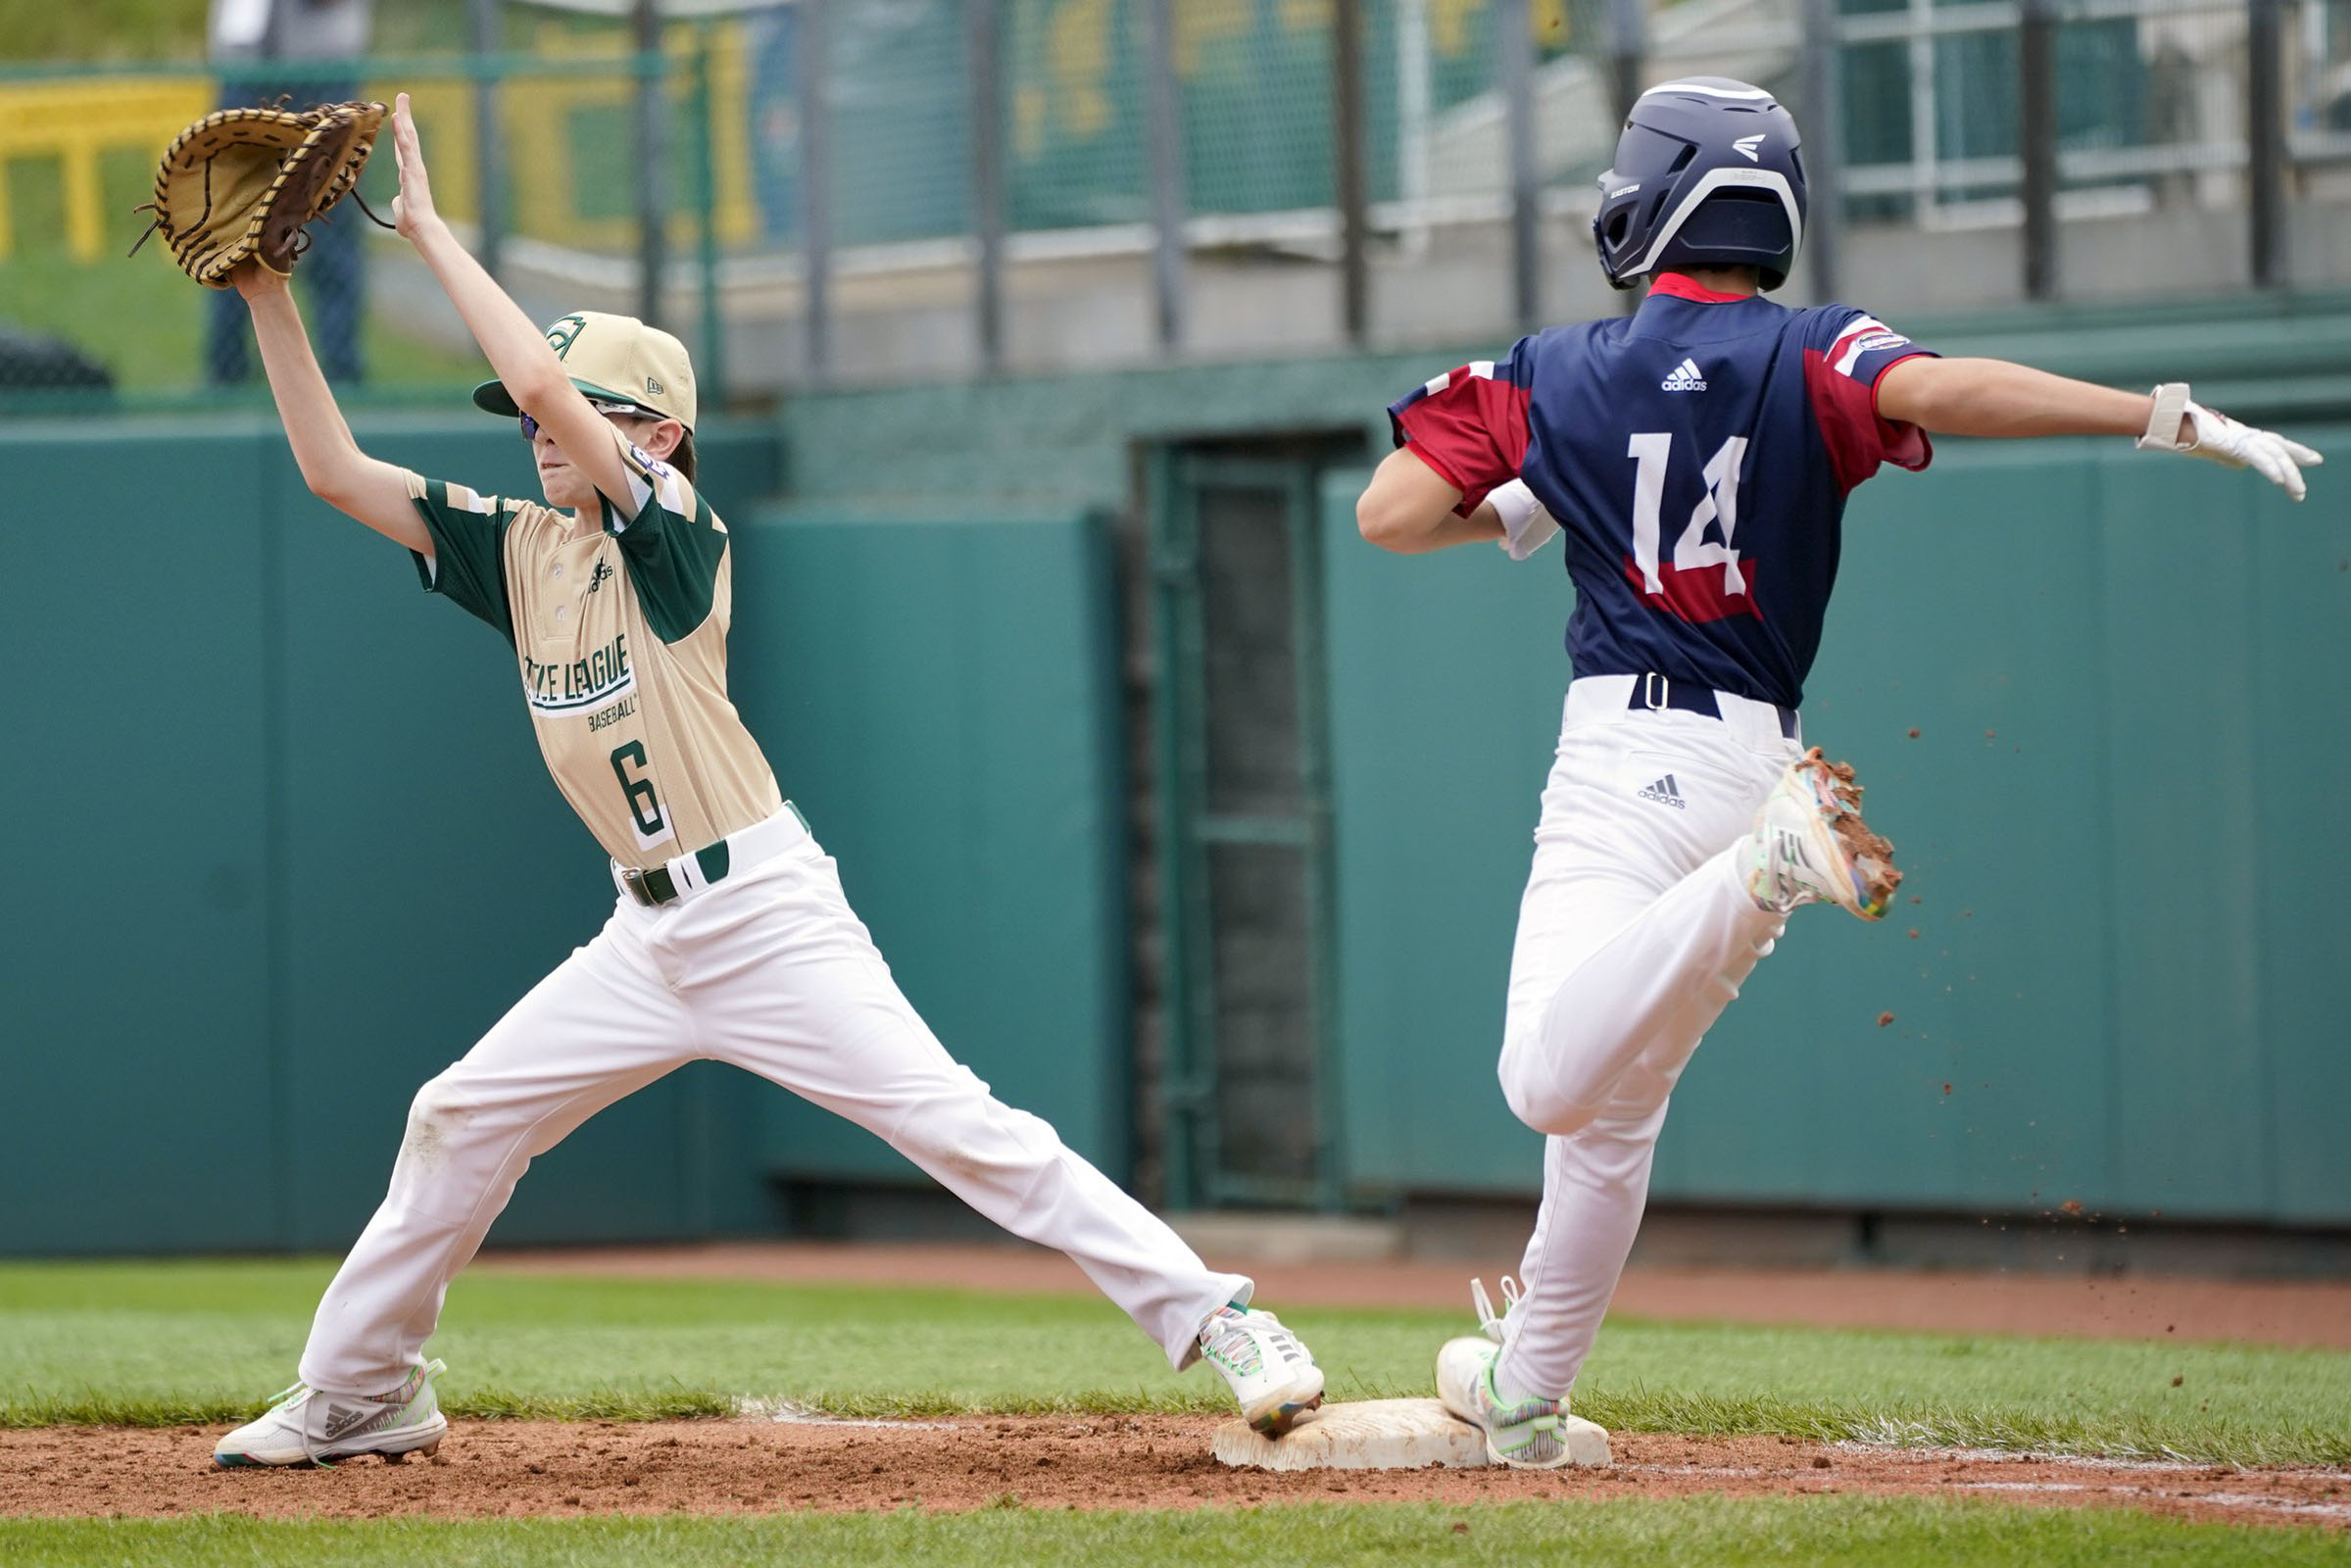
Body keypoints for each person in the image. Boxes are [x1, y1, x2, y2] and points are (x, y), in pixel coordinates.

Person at [213, 94, 1324, 1468]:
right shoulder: (521, 553)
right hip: (645, 934)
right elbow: (332, 472)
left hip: (765, 915)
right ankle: (363, 1392)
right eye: (521, 419)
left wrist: (433, 237)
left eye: (575, 415)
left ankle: (1221, 1323)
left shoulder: (671, 534)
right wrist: (267, 293)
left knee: (960, 1129)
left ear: (658, 437)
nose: (536, 429)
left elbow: (556, 388)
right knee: (454, 1116)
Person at [1354, 76, 2319, 1469]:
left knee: (1543, 1087)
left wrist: (1531, 491)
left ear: (1641, 201)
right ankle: (1524, 1390)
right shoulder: (1815, 350)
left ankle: (1769, 871)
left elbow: (1391, 512)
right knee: (1612, 1113)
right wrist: (2156, 416)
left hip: (1629, 756)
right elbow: (1937, 390)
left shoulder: (1552, 369)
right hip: (1753, 748)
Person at [205, 0, 373, 384]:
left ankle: (343, 375)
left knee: (331, 228)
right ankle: (225, 378)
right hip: (243, 67)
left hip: (321, 68)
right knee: (230, 229)